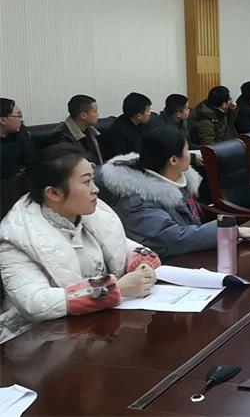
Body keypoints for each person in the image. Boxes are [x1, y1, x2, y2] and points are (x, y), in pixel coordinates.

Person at [0, 143, 161, 344]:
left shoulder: (88, 213)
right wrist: (115, 288)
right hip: (38, 342)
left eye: (93, 179)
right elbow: (35, 302)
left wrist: (142, 265)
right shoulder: (16, 237)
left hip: (94, 329)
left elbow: (124, 245)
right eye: (86, 182)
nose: (96, 189)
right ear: (53, 193)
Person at [98, 127, 250, 258]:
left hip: (192, 255)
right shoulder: (137, 201)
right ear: (173, 160)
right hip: (167, 267)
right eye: (187, 150)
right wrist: (230, 231)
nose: (191, 155)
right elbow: (171, 239)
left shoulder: (175, 178)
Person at [50, 94, 103, 164]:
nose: (98, 115)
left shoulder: (91, 131)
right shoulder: (61, 137)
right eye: (95, 111)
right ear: (83, 115)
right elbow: (70, 166)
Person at [103, 92, 152, 159]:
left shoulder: (141, 125)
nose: (150, 113)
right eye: (148, 111)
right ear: (138, 116)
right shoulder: (119, 132)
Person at [0, 98, 32, 181]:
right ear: (3, 120)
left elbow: (30, 160)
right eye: (19, 116)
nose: (21, 120)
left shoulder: (21, 133)